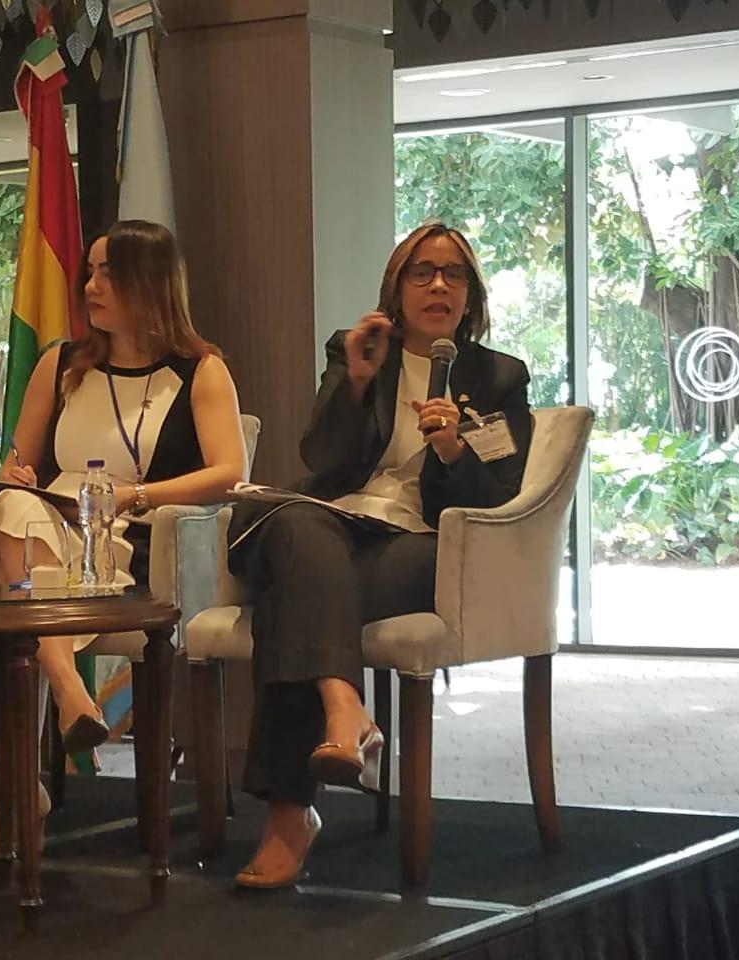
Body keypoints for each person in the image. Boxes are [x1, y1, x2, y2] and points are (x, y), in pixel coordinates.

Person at [228, 221, 534, 888]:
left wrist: (453, 451)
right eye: (422, 272)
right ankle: (345, 711)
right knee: (301, 535)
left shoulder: (499, 376)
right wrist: (357, 384)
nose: (438, 285)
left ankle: (290, 816)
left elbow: (501, 499)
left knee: (294, 596)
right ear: (396, 290)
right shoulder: (358, 350)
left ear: (471, 295)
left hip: (420, 543)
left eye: (453, 274)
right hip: (332, 526)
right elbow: (321, 458)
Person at [0, 219, 247, 862]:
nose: (90, 285)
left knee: (13, 585)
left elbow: (229, 472)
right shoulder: (60, 365)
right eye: (90, 271)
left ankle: (15, 793)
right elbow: (18, 463)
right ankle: (67, 687)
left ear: (150, 281)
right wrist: (18, 478)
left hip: (128, 537)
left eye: (108, 272)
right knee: (16, 510)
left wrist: (135, 496)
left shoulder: (200, 370)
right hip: (43, 525)